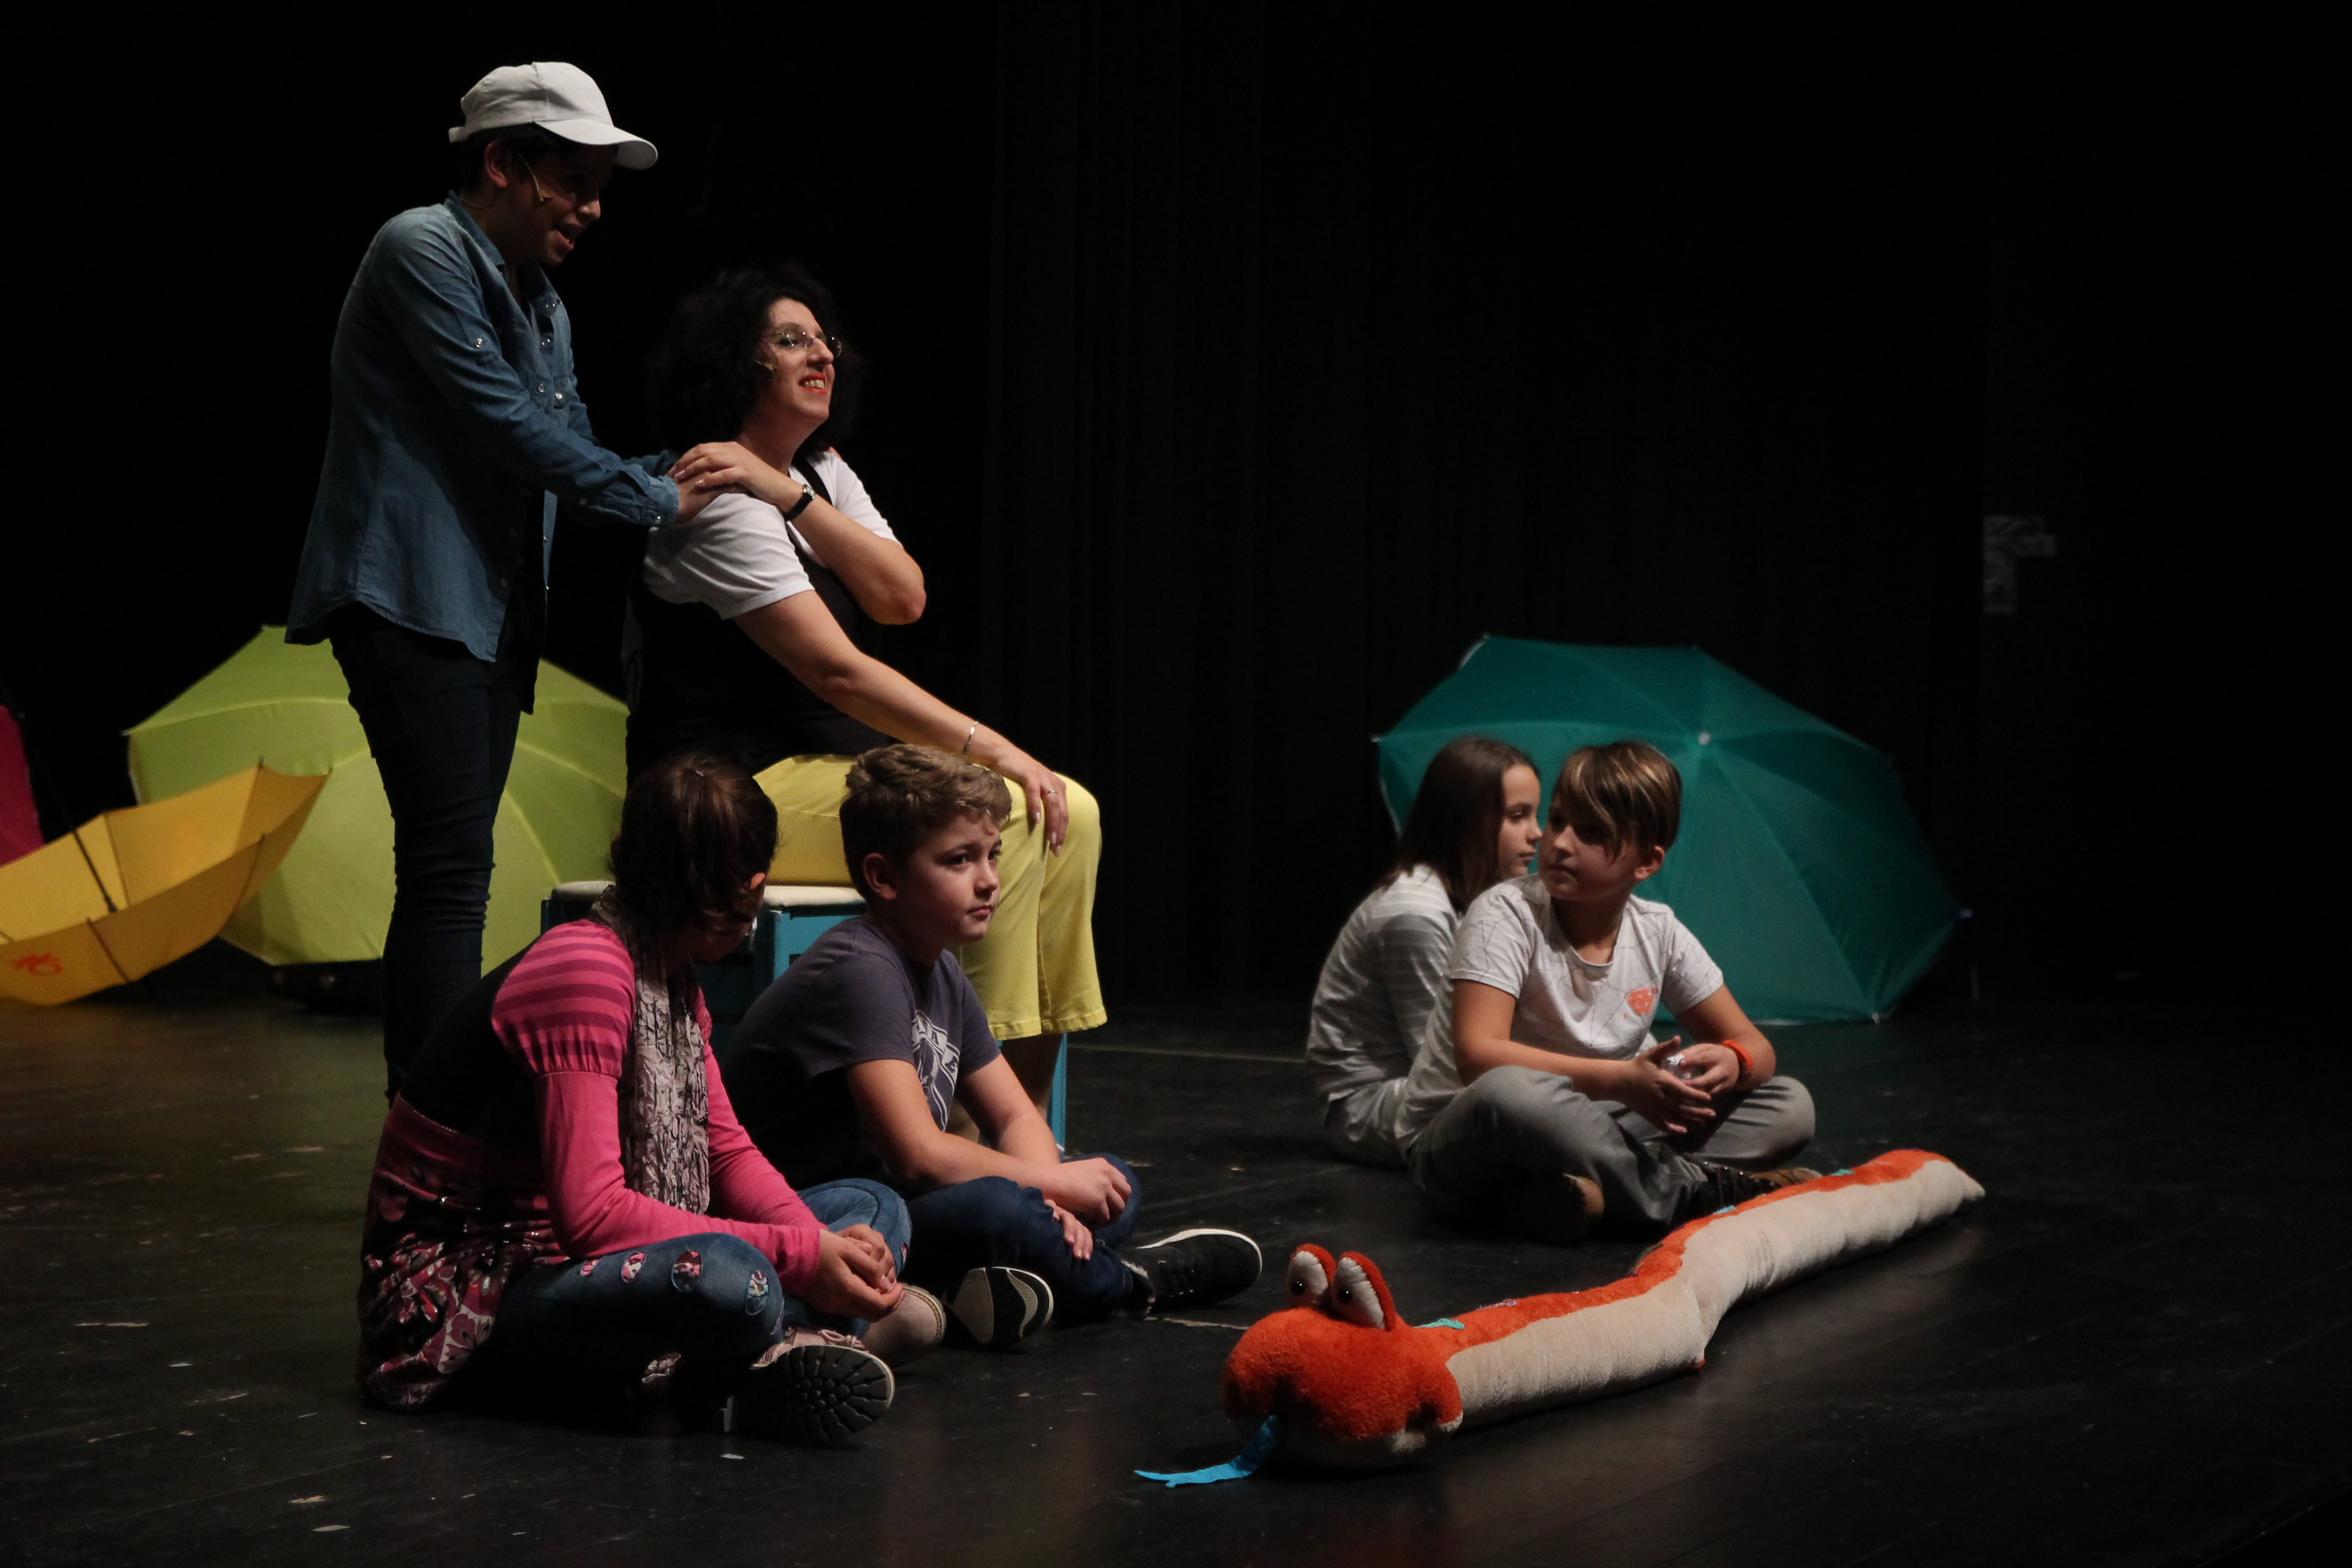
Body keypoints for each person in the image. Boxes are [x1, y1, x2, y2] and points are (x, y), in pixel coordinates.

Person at [286, 64, 720, 1096]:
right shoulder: (421, 247)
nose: (592, 208)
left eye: (598, 188)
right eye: (572, 182)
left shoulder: (546, 305)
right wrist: (655, 498)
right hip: (407, 594)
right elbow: (509, 426)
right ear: (499, 163)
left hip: (490, 612)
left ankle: (435, 1109)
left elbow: (572, 448)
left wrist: (688, 470)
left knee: (457, 864)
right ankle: (432, 1115)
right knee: (449, 867)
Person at [355, 753, 940, 1445]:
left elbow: (725, 1151)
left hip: (572, 1260)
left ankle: (784, 1350)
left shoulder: (668, 973)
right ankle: (778, 1354)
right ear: (752, 889)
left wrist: (815, 1243)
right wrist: (801, 1260)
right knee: (732, 1279)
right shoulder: (585, 969)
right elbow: (593, 1217)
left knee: (871, 1207)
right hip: (473, 1288)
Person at [626, 265, 1104, 1109]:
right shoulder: (719, 500)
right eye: (791, 340)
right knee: (1010, 808)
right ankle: (967, 1122)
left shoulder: (816, 476)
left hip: (822, 766)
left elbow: (902, 596)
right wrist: (996, 748)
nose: (822, 355)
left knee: (1076, 813)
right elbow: (835, 670)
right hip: (733, 785)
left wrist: (793, 494)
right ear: (735, 363)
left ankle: (1029, 1126)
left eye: (827, 341)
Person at [722, 745, 1261, 1346]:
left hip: (908, 1206)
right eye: (959, 860)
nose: (989, 881)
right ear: (883, 877)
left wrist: (1053, 1194)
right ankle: (1133, 1285)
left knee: (1112, 1181)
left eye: (993, 855)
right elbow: (919, 1156)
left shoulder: (943, 970)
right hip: (836, 1218)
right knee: (1004, 1210)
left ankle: (974, 1289)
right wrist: (1049, 1192)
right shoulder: (860, 968)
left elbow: (1012, 1115)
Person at [1396, 741, 1820, 1243]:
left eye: (1591, 832)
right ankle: (1698, 1194)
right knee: (1510, 1092)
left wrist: (1732, 1061)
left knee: (1788, 1106)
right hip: (1463, 1140)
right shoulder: (1505, 913)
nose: (1559, 843)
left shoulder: (1657, 931)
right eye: (1558, 821)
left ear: (1647, 861)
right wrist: (1621, 1081)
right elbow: (1478, 1059)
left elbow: (1756, 1048)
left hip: (1589, 1125)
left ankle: (1575, 1191)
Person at [1307, 736, 1543, 1168]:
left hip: (1431, 1086)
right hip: (1372, 1105)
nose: (1538, 833)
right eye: (1517, 816)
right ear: (1469, 820)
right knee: (1542, 1105)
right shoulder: (1415, 911)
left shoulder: (1485, 900)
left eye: (1535, 814)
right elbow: (1443, 1062)